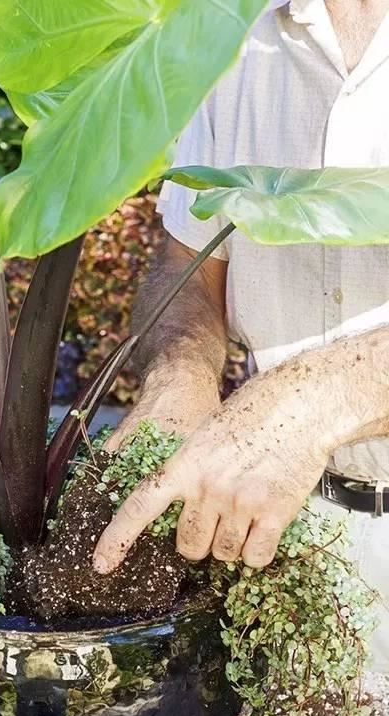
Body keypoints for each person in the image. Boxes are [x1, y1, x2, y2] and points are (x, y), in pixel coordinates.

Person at [93, 0, 389, 671]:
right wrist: (180, 378)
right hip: (285, 527)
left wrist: (311, 399)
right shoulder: (229, 29)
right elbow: (188, 263)